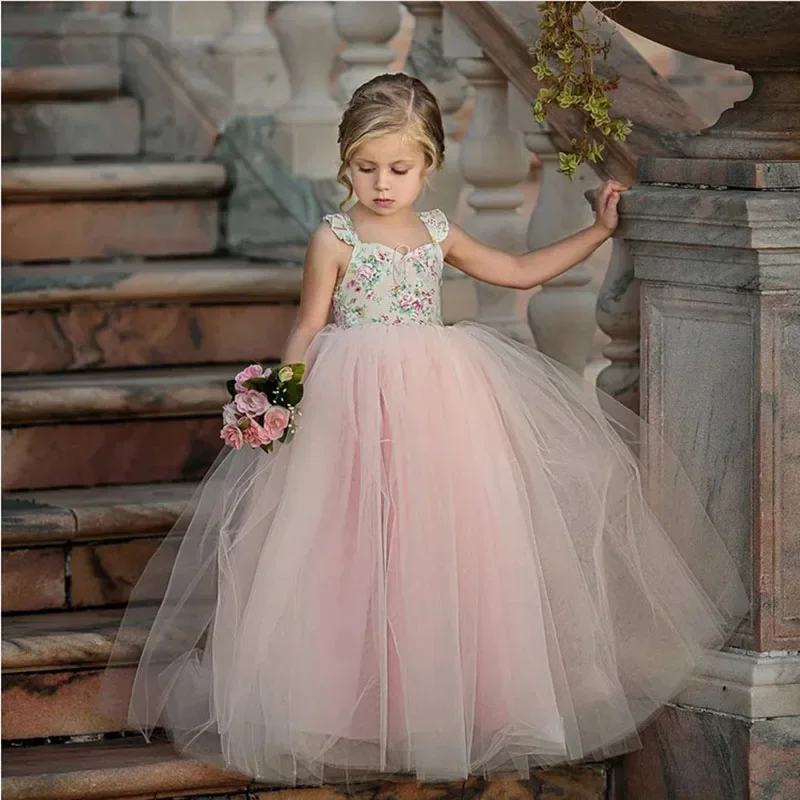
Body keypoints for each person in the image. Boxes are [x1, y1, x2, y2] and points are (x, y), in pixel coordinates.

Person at [100, 73, 748, 787]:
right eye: (366, 167)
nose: (383, 184)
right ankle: (346, 700)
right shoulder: (335, 236)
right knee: (346, 543)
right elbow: (309, 323)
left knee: (444, 546)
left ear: (429, 166)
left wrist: (598, 228)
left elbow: (518, 270)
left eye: (400, 170)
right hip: (351, 400)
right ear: (344, 161)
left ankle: (448, 699)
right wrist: (275, 405)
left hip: (438, 404)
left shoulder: (438, 231)